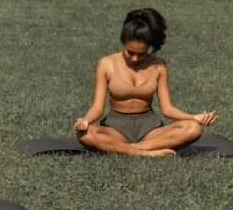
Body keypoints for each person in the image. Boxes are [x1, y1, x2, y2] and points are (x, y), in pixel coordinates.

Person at [73, 8, 217, 156]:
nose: (135, 58)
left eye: (141, 54)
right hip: (115, 128)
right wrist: (85, 120)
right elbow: (97, 107)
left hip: (149, 128)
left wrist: (194, 117)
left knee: (194, 128)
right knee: (84, 134)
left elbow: (167, 109)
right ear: (123, 42)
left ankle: (129, 150)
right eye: (130, 52)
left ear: (149, 48)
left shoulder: (158, 65)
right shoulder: (106, 64)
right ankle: (145, 152)